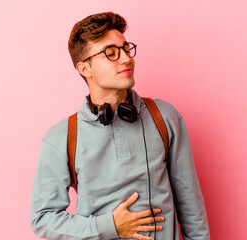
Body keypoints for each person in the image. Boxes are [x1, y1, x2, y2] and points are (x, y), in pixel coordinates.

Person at [30, 12, 210, 240]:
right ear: (85, 69)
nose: (126, 59)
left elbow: (190, 203)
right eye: (111, 53)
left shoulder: (165, 116)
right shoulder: (61, 138)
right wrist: (109, 226)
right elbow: (43, 218)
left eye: (126, 49)